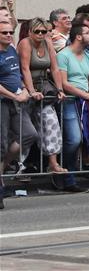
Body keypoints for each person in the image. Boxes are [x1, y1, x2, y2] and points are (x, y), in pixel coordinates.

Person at [56, 22, 89, 192]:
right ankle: (63, 172)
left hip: (85, 101)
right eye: (87, 32)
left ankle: (68, 177)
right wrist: (87, 95)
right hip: (70, 101)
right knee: (74, 139)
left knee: (85, 138)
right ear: (78, 36)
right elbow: (64, 83)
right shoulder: (63, 55)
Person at [17, 17, 66, 173]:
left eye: (43, 31)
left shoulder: (47, 43)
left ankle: (53, 163)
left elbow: (55, 68)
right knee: (26, 131)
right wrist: (31, 91)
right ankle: (19, 166)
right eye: (36, 31)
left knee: (51, 123)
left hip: (44, 88)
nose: (40, 34)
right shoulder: (25, 43)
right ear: (30, 32)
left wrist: (59, 89)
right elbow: (24, 69)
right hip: (25, 87)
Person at [0, 19, 40, 196]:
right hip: (3, 102)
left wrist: (24, 89)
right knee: (2, 144)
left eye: (10, 32)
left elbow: (18, 74)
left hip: (17, 100)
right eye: (5, 33)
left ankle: (2, 168)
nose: (9, 35)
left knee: (30, 134)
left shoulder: (11, 49)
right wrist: (14, 95)